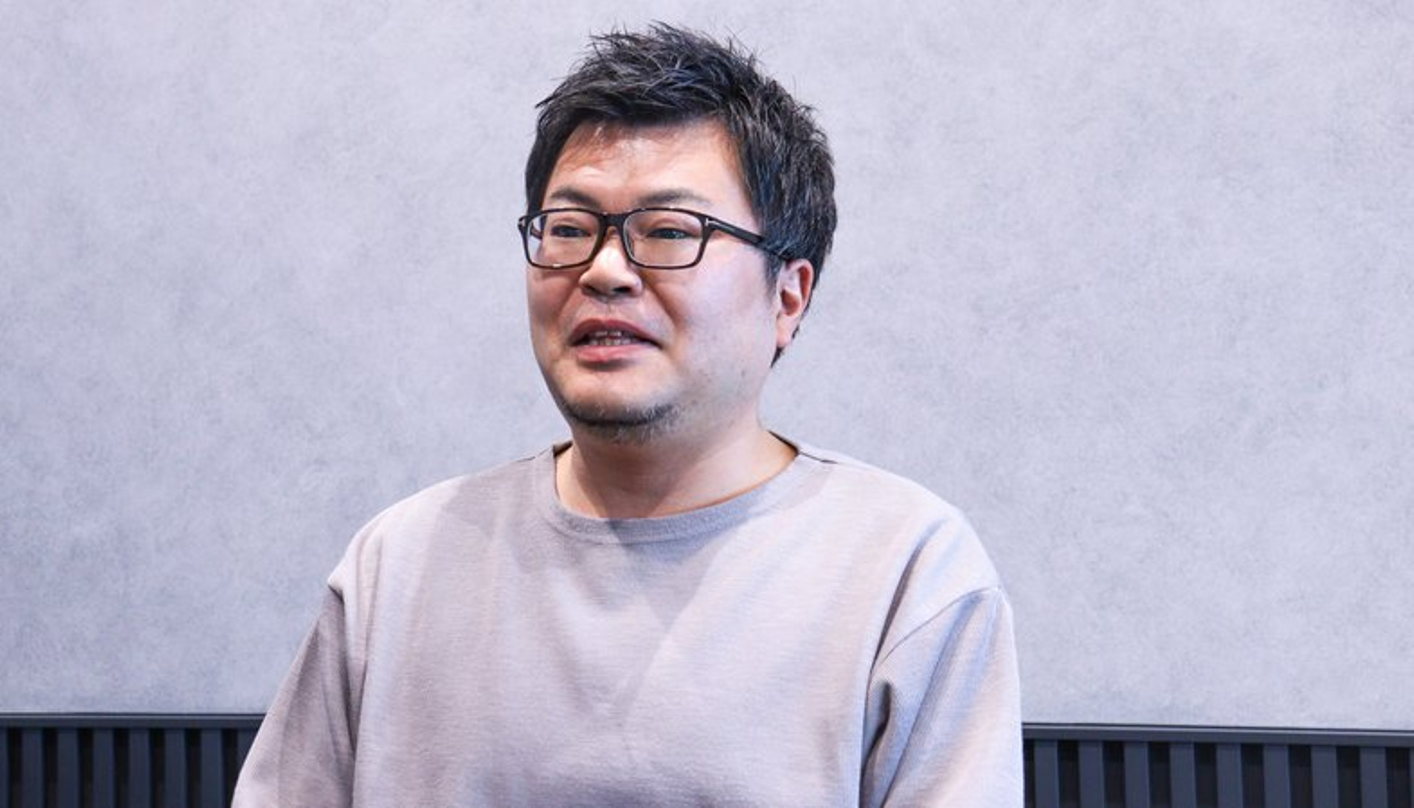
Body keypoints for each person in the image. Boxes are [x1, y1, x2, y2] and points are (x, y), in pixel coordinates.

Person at [233, 23, 1022, 807]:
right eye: (569, 229)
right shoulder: (398, 564)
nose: (605, 270)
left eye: (670, 231)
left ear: (788, 297)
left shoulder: (907, 571)